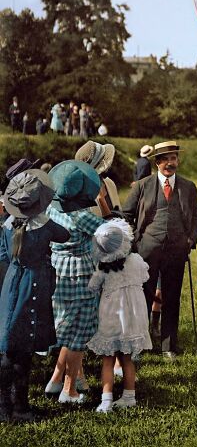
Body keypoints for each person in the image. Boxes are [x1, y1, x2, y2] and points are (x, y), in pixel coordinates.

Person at [0, 170, 69, 422]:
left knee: (9, 346)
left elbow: (4, 256)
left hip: (12, 283)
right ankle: (20, 407)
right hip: (34, 285)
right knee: (25, 349)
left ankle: (4, 406)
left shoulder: (8, 225)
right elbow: (65, 235)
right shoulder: (45, 225)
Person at [122, 141, 197, 360]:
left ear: (178, 160)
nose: (170, 163)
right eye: (165, 159)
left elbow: (196, 216)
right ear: (157, 162)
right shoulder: (142, 186)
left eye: (173, 158)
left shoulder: (188, 186)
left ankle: (168, 346)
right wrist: (135, 241)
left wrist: (190, 240)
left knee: (172, 297)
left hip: (177, 250)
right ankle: (140, 343)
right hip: (146, 250)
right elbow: (126, 215)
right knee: (143, 297)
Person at [44, 160, 103, 403]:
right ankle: (69, 389)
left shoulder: (50, 209)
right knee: (80, 331)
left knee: (65, 327)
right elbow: (109, 232)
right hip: (80, 273)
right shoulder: (81, 216)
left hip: (57, 269)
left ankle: (56, 379)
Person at [87, 219, 152, 413]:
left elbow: (92, 287)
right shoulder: (137, 261)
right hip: (133, 317)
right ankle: (129, 395)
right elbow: (145, 277)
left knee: (108, 358)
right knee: (126, 358)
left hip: (111, 315)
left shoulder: (102, 268)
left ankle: (106, 400)